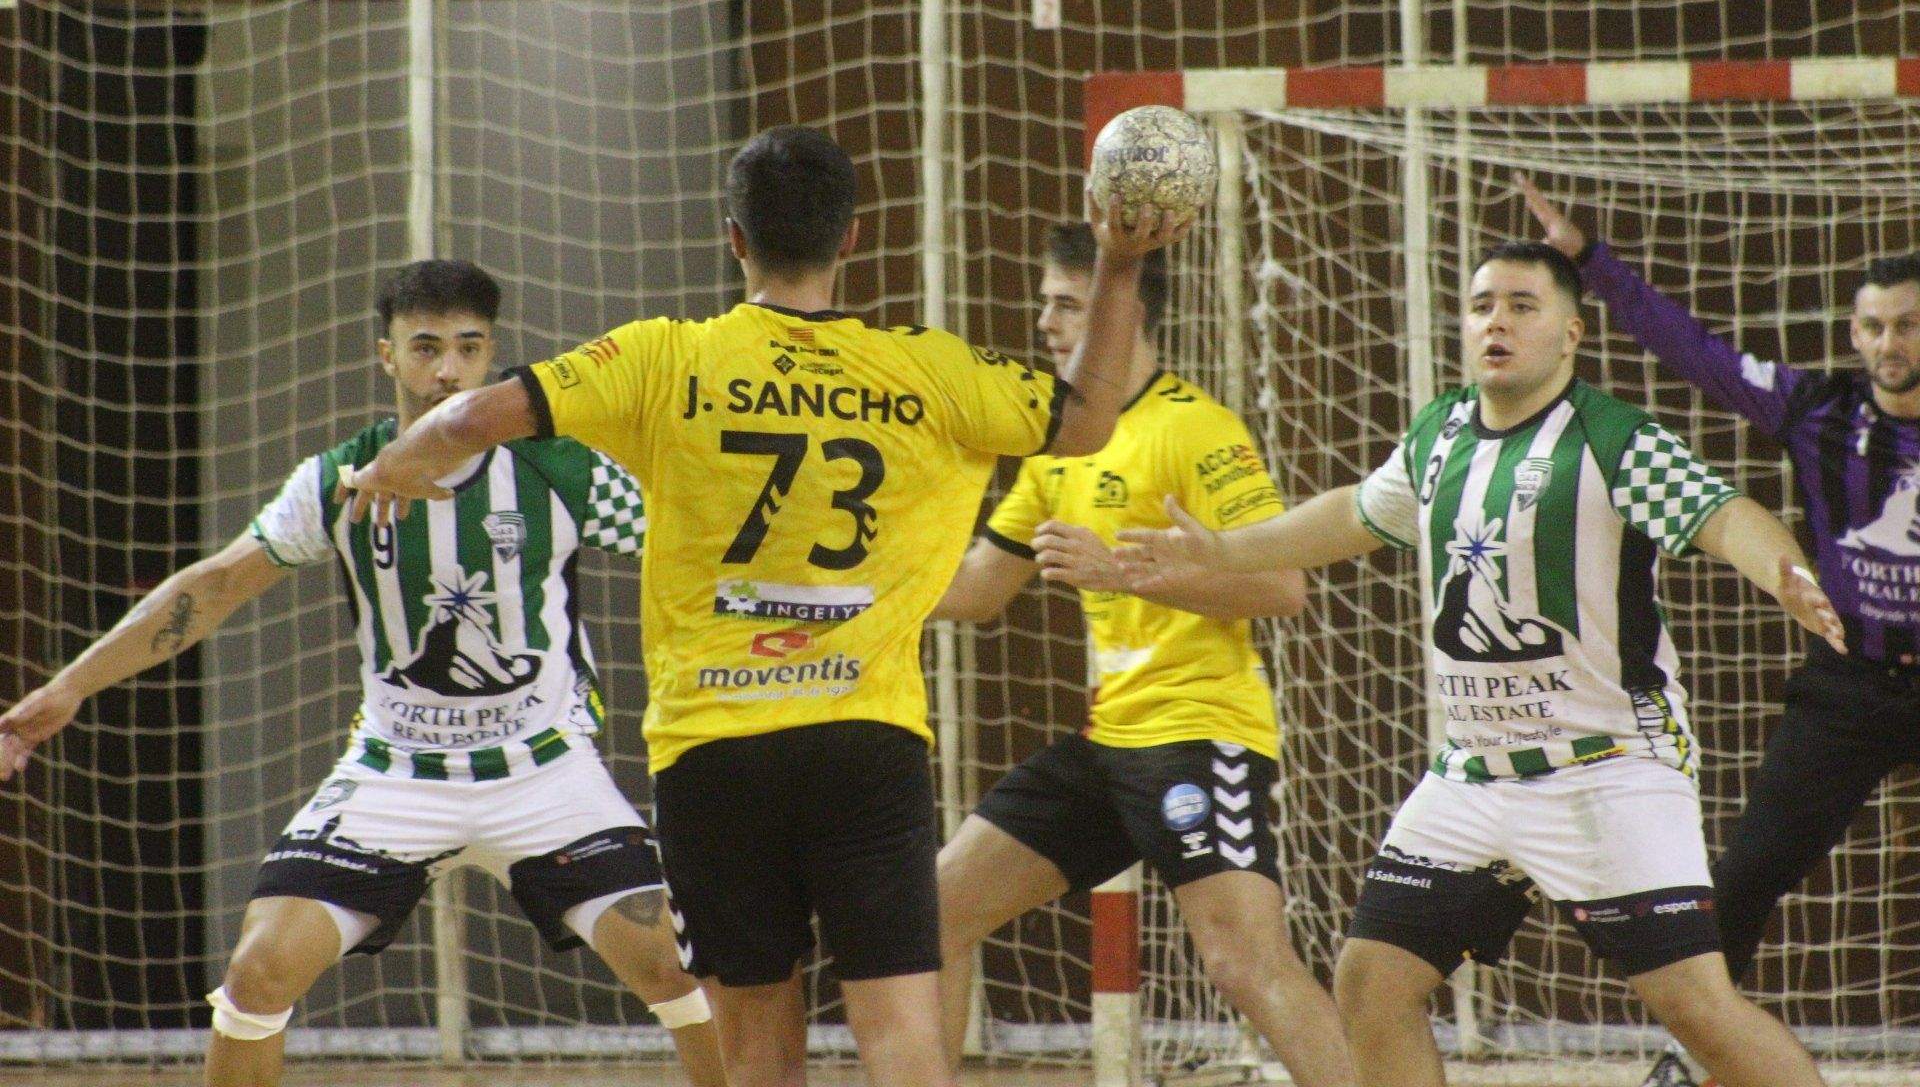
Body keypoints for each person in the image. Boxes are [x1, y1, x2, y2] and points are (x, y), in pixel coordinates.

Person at [327, 126, 1193, 1087]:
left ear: (734, 237)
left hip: (715, 749)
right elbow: (1089, 420)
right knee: (901, 1031)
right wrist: (1119, 264)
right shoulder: (933, 369)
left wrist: (394, 464)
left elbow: (472, 414)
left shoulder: (663, 357)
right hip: (866, 738)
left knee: (753, 1047)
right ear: (851, 237)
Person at [1112, 241, 1848, 1087]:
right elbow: (1354, 514)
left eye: (1522, 306)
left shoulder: (1614, 440)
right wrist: (1223, 549)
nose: (1496, 321)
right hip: (1475, 774)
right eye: (1481, 305)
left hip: (1605, 769)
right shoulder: (1442, 431)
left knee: (1695, 1007)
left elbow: (1723, 515)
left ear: (1570, 334)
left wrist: (1784, 573)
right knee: (1372, 981)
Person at [0, 261, 725, 1087]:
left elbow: (697, 546)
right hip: (396, 774)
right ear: (387, 357)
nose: (448, 370)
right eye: (426, 348)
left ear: (492, 354)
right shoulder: (336, 481)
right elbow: (217, 585)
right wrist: (69, 686)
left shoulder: (561, 469)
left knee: (677, 966)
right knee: (256, 975)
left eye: (468, 348)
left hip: (545, 771)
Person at [929, 222, 1354, 1087]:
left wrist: (1123, 571)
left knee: (1243, 962)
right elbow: (976, 589)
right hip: (1109, 744)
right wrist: (839, 592)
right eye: (1046, 303)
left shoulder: (1197, 431)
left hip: (1198, 731)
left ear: (1122, 312)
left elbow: (1283, 588)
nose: (1046, 323)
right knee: (932, 911)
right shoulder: (1058, 447)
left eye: (1067, 305)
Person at [1520, 175, 1920, 1087]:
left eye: (1906, 325)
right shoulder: (1819, 408)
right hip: (1850, 689)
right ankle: (1692, 1057)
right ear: (1854, 334)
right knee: (1741, 879)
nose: (1888, 344)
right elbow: (1695, 353)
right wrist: (1592, 263)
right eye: (1873, 327)